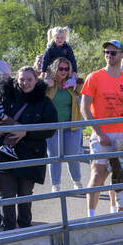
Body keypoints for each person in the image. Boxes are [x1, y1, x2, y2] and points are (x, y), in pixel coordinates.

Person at [0, 67, 56, 229]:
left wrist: (26, 132)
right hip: (4, 151)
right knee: (7, 194)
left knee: (24, 194)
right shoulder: (4, 95)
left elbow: (51, 128)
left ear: (36, 80)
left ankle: (24, 228)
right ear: (16, 79)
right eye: (22, 79)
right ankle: (9, 230)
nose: (25, 83)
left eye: (29, 79)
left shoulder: (44, 102)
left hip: (30, 155)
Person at [80, 40, 123, 218]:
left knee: (119, 175)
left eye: (113, 53)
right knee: (98, 174)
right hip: (101, 134)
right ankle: (91, 216)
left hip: (122, 134)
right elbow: (85, 108)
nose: (109, 55)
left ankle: (114, 213)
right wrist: (98, 133)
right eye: (106, 52)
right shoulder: (94, 77)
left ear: (122, 55)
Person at [44, 57, 84, 192]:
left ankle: (77, 181)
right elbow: (37, 95)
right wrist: (44, 84)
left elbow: (82, 90)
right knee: (54, 155)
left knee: (72, 154)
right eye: (61, 68)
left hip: (71, 124)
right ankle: (55, 184)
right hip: (52, 126)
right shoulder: (49, 83)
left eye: (66, 69)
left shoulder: (71, 83)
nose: (63, 71)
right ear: (55, 69)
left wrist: (76, 82)